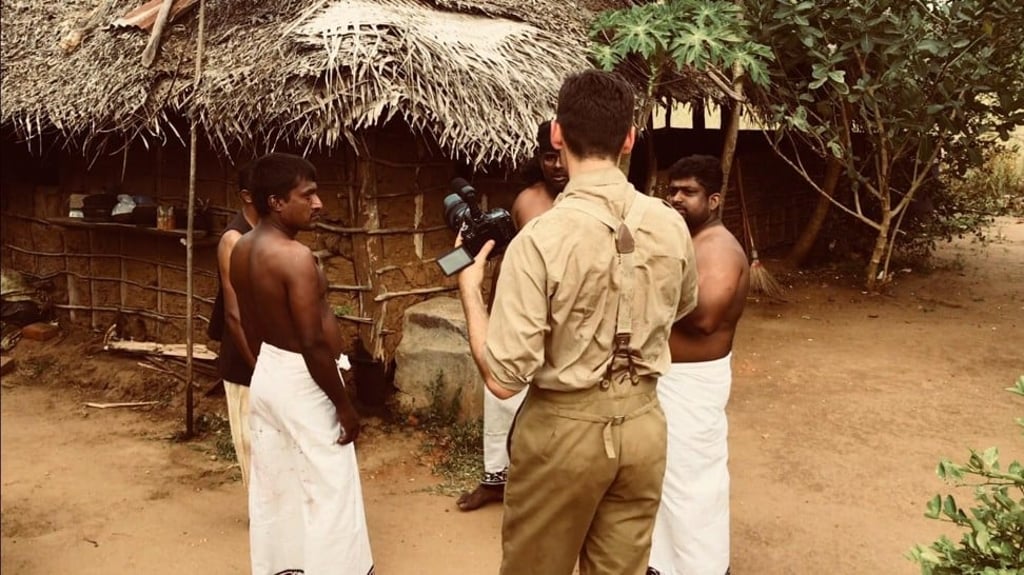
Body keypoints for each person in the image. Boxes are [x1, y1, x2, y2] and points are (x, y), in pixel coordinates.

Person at [457, 69, 699, 575]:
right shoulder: (671, 224)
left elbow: (504, 379)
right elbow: (679, 308)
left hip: (561, 435)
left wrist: (470, 294)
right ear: (629, 138)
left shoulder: (540, 240)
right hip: (644, 427)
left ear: (558, 136)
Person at [230, 153, 374, 575]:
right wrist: (344, 405)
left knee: (278, 482)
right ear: (276, 202)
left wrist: (271, 369)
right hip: (302, 375)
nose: (318, 203)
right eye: (307, 195)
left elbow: (253, 322)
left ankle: (284, 567)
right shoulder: (294, 257)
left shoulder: (242, 249)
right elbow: (312, 341)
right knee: (330, 482)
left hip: (269, 373)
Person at [456, 120, 568, 512]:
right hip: (516, 308)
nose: (556, 165)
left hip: (559, 318)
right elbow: (506, 258)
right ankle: (494, 479)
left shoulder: (587, 203)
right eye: (548, 157)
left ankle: (539, 486)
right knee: (501, 394)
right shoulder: (527, 200)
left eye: (561, 156)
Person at [648, 155, 750, 575]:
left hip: (693, 383)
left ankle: (703, 567)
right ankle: (667, 564)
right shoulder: (691, 242)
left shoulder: (720, 248)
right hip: (674, 378)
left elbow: (705, 318)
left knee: (692, 483)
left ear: (713, 200)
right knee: (668, 478)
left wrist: (649, 283)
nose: (675, 199)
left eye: (687, 192)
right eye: (672, 190)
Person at [208, 162, 258, 490]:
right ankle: (262, 514)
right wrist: (259, 368)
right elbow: (234, 314)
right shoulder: (234, 239)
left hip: (270, 356)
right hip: (246, 358)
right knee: (251, 440)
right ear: (247, 196)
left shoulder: (269, 235)